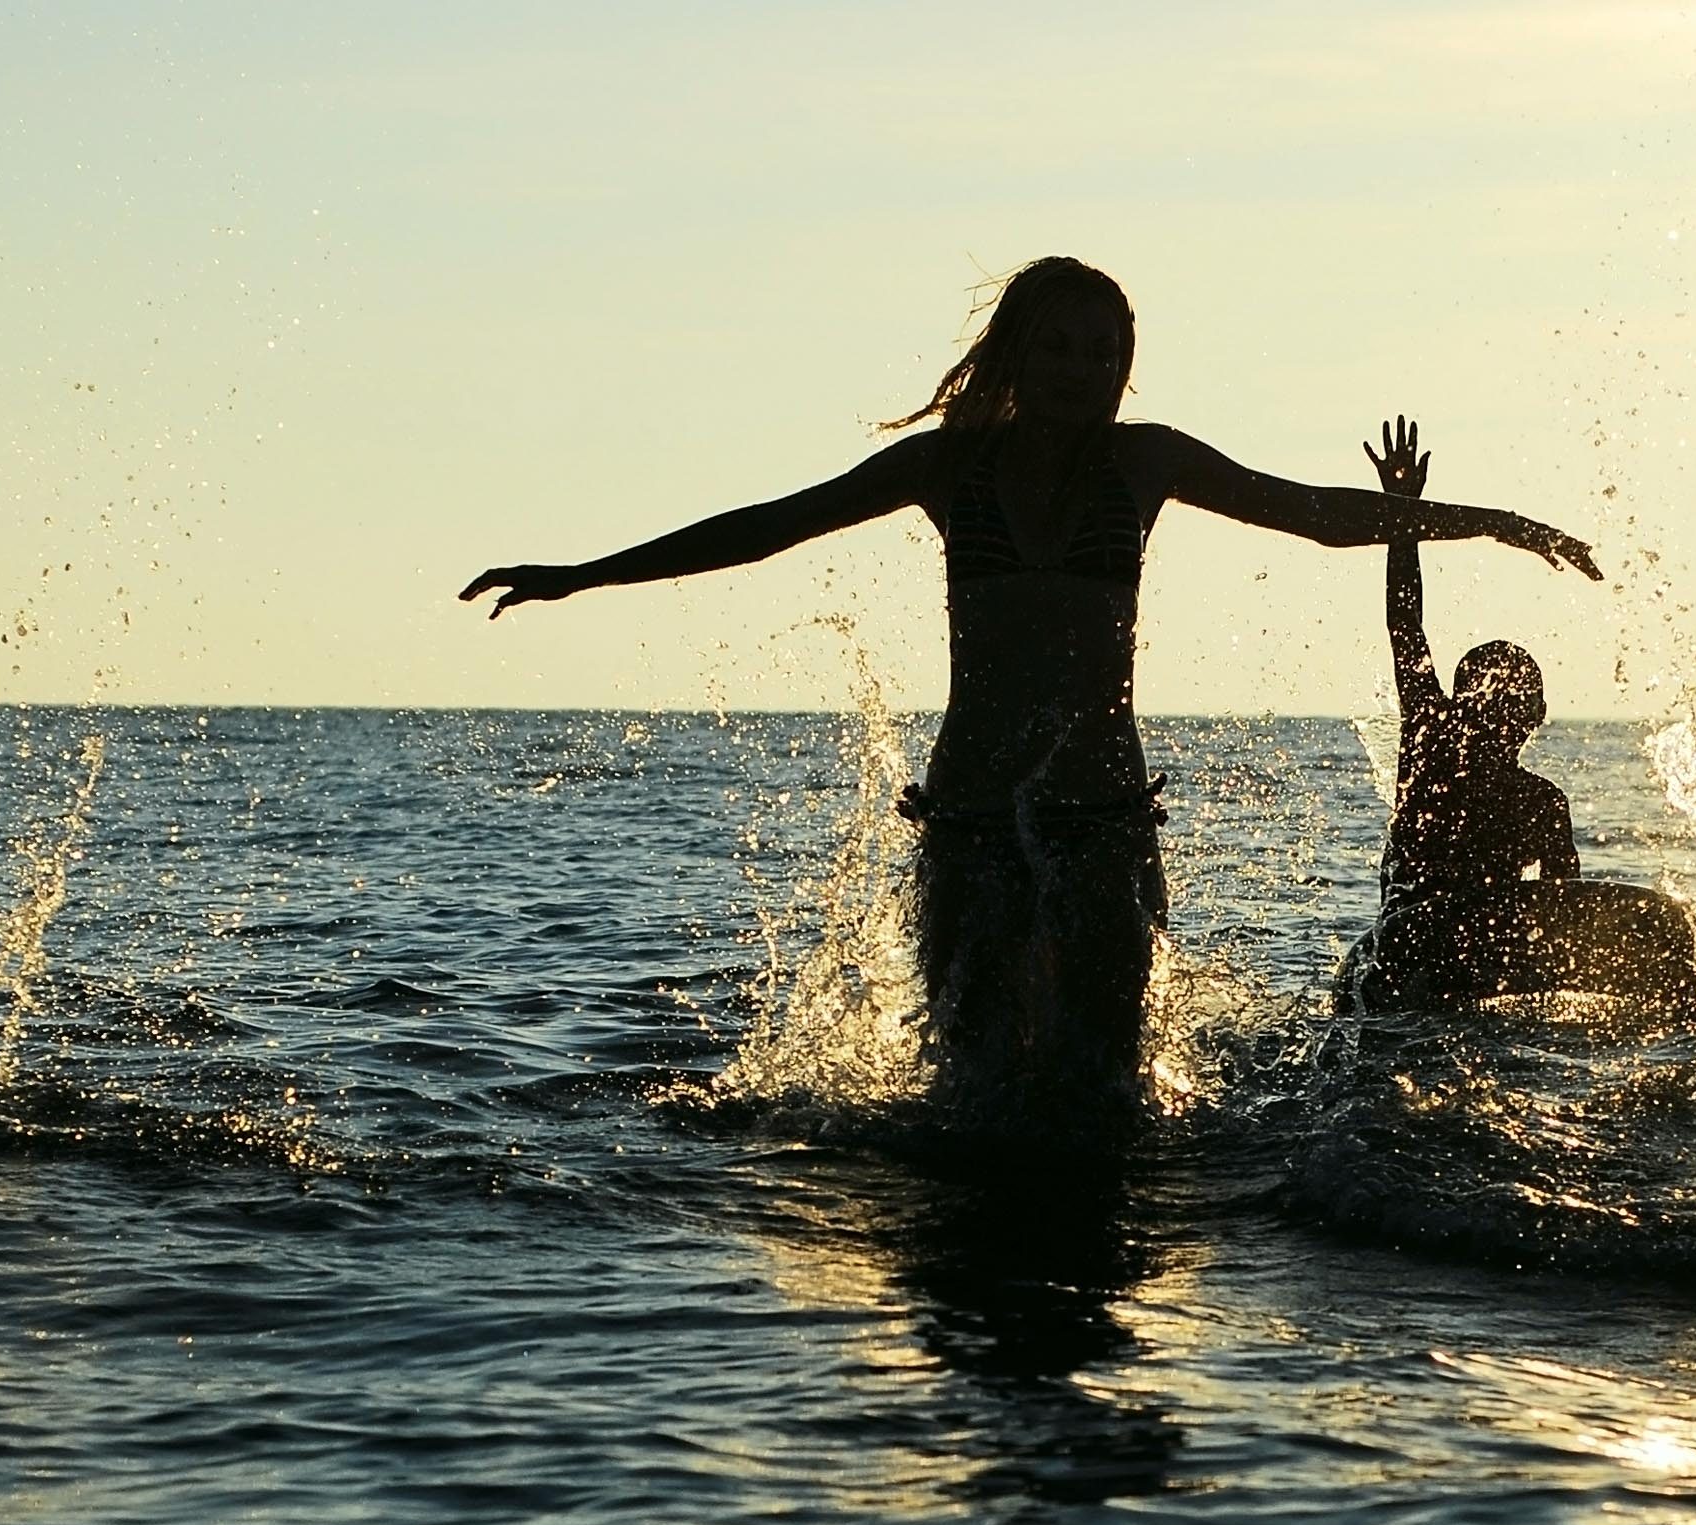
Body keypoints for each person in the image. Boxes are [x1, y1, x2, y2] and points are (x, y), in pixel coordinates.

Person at [461, 259, 1599, 1150]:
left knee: (1103, 1094)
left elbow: (1312, 513)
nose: (1079, 368)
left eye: (1103, 351)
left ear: (1127, 367)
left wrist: (1490, 522)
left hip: (1103, 820)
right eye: (1058, 346)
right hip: (969, 823)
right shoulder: (949, 470)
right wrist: (582, 575)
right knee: (971, 1086)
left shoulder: (1146, 463)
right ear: (1015, 352)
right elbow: (772, 523)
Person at [1341, 417, 1696, 1023]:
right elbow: (1405, 624)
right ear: (1457, 704)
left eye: (1511, 701)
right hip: (1412, 943)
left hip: (1480, 954)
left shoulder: (1542, 803)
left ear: (1533, 717)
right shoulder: (1432, 742)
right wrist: (1401, 515)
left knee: (1672, 924)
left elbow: (1564, 913)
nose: (1496, 714)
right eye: (1487, 698)